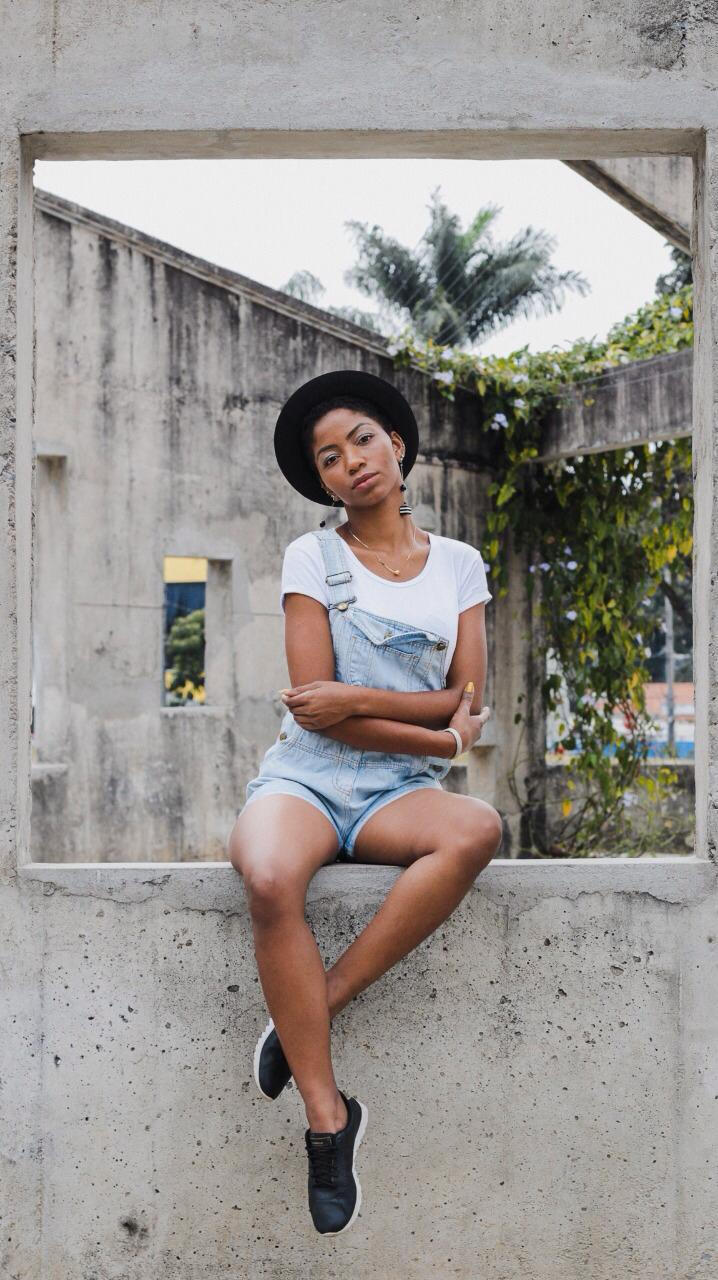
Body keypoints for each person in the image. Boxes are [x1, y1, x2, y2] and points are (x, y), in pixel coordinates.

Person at [227, 368, 503, 1235]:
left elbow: (470, 699)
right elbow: (323, 711)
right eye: (329, 457)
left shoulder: (458, 565)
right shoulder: (312, 558)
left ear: (398, 445)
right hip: (308, 776)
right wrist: (434, 733)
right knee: (268, 874)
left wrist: (370, 702)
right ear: (324, 482)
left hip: (397, 792)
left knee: (476, 828)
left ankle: (310, 1009)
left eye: (362, 439)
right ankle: (328, 1120)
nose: (351, 460)